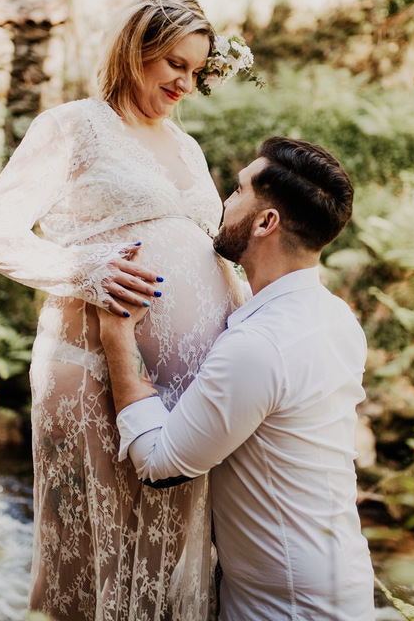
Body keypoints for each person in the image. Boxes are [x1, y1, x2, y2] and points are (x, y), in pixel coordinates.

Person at [0, 0, 248, 621]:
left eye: (196, 71)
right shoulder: (72, 126)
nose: (186, 83)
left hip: (184, 395)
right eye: (175, 64)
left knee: (167, 562)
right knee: (91, 551)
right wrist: (85, 271)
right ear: (136, 48)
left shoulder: (187, 146)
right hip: (90, 367)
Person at [99, 137, 376, 621]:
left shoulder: (259, 344)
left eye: (238, 190)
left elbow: (160, 463)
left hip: (288, 606)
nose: (223, 202)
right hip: (340, 579)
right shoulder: (336, 318)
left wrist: (117, 337)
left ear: (266, 222)